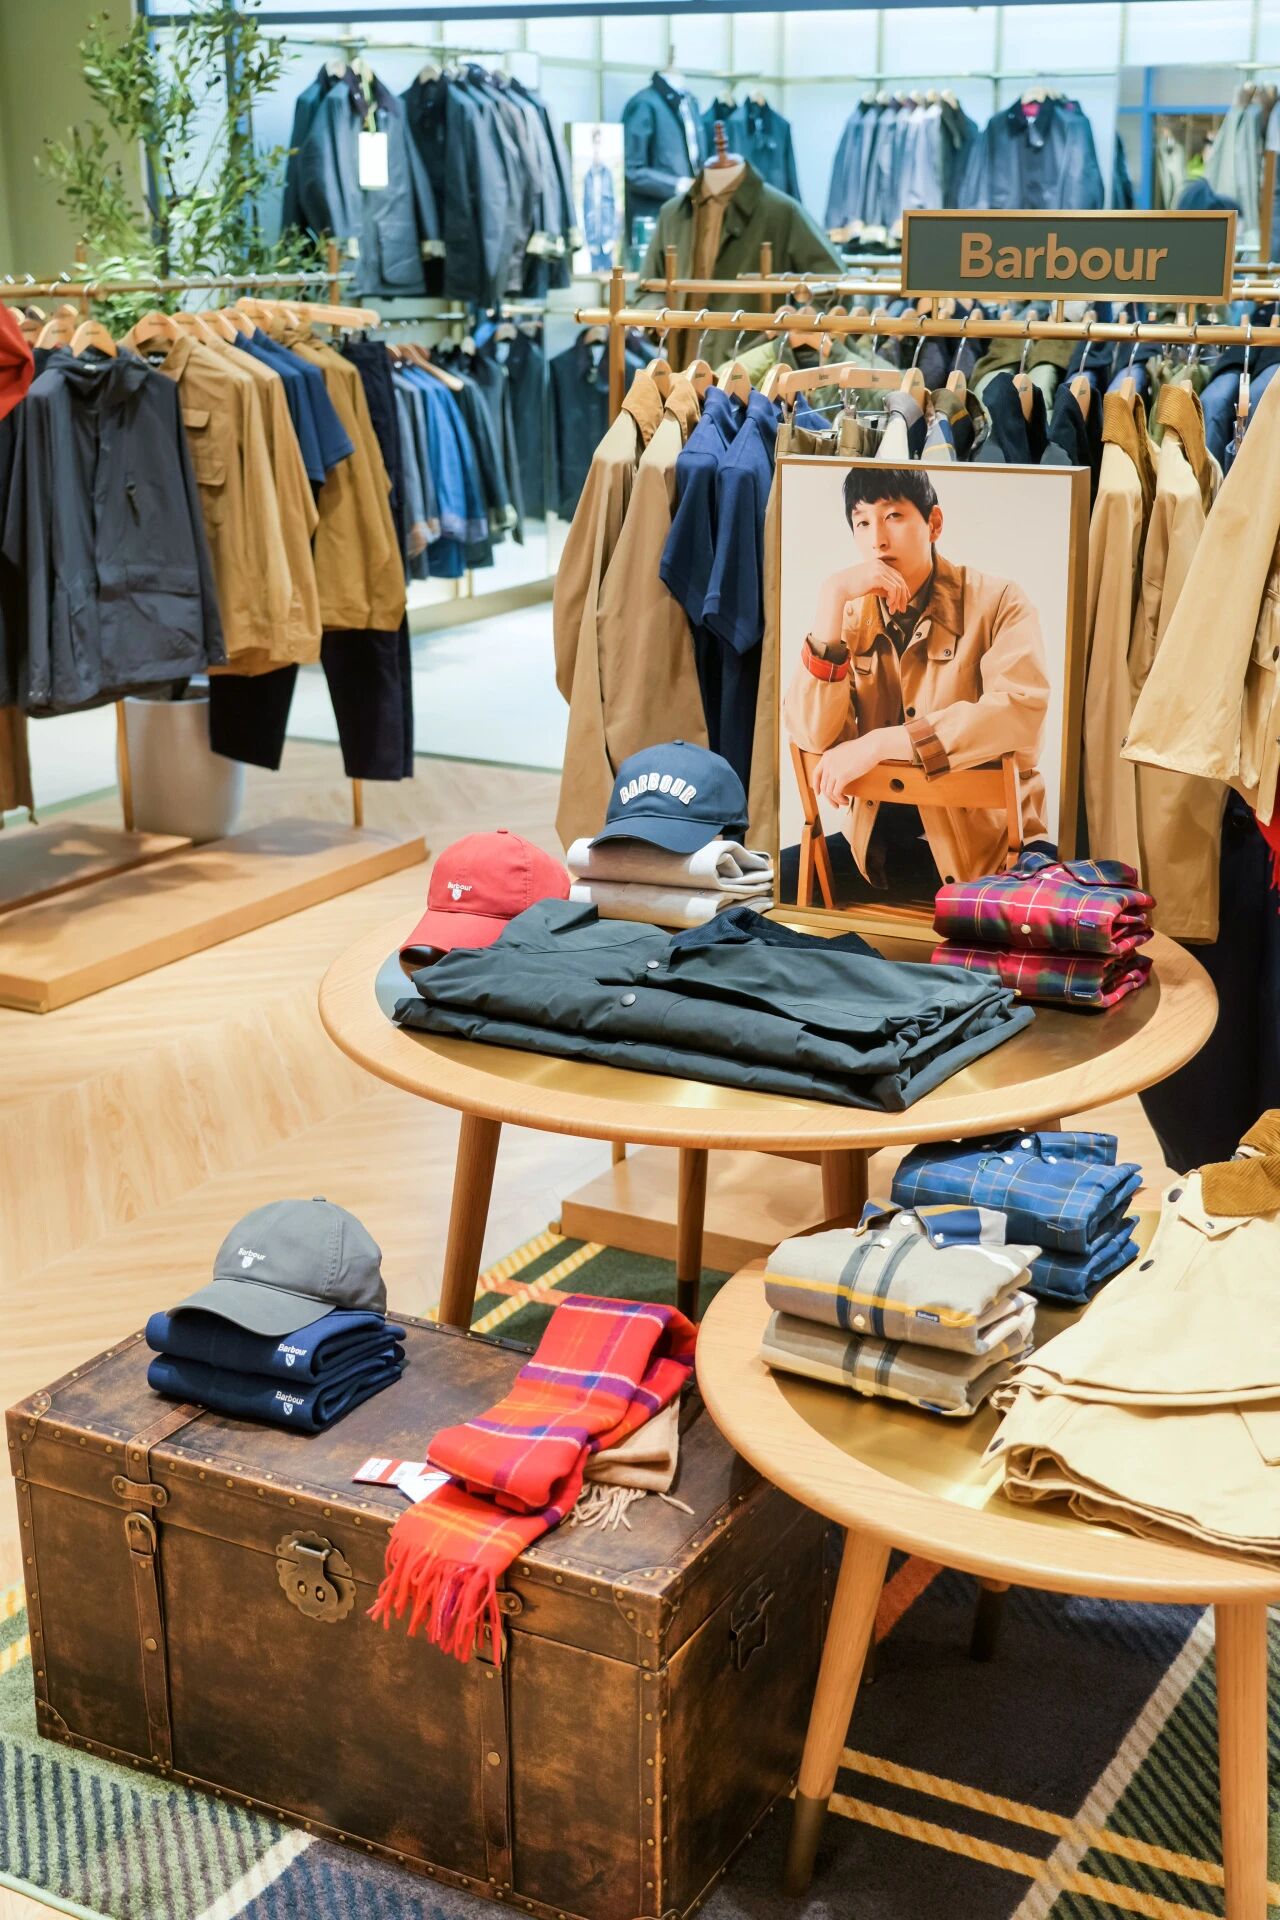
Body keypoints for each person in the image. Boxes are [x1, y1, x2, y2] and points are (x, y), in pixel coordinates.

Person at [782, 466, 1050, 904]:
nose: (878, 540)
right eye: (862, 522)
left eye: (893, 516)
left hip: (991, 856)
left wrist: (883, 743)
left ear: (934, 523)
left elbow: (1019, 716)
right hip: (877, 852)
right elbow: (812, 736)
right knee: (772, 889)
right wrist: (831, 598)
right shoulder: (850, 615)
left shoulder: (1000, 602)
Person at [583, 129, 617, 274]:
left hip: (607, 239)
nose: (597, 148)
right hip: (593, 240)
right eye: (595, 143)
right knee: (594, 277)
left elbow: (614, 206)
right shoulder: (587, 177)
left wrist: (613, 237)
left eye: (599, 143)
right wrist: (588, 240)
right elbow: (585, 209)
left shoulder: (608, 175)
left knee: (611, 278)